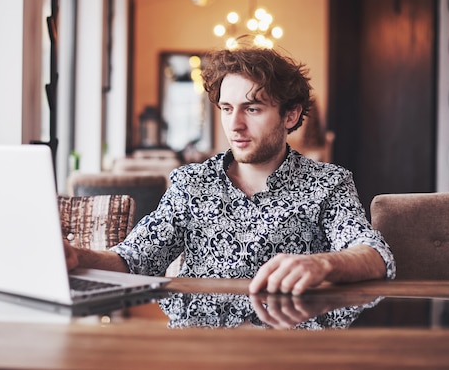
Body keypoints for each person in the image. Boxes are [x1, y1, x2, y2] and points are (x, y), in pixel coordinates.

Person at [64, 44, 396, 295]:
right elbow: (134, 259)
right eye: (226, 108)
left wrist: (323, 263)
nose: (234, 125)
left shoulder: (329, 183)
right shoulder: (190, 183)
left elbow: (375, 255)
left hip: (288, 349)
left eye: (252, 109)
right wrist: (77, 257)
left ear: (290, 115)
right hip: (200, 348)